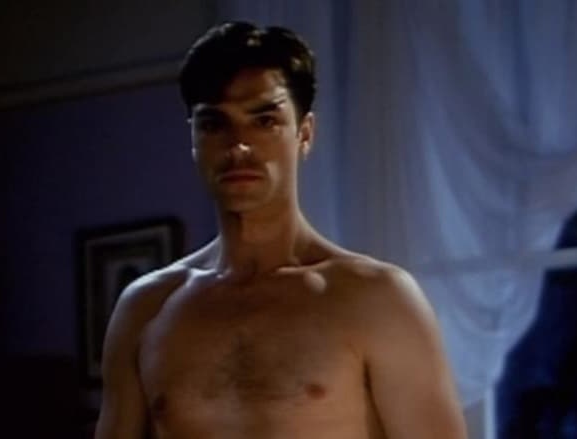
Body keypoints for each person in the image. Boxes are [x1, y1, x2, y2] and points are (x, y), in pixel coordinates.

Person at [95, 21, 467, 439]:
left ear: (304, 134)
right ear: (194, 139)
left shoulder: (377, 299)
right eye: (215, 124)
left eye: (264, 121)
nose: (238, 146)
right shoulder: (147, 308)